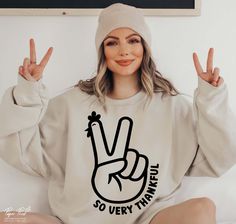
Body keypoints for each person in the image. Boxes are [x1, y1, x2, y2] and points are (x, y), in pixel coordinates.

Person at [0, 3, 236, 224]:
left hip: (148, 220)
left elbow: (219, 158)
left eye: (133, 41)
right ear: (102, 50)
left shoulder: (172, 106)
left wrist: (211, 97)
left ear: (145, 46)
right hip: (76, 220)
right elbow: (20, 152)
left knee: (203, 209)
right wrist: (29, 90)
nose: (124, 51)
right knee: (8, 217)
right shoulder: (70, 104)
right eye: (112, 42)